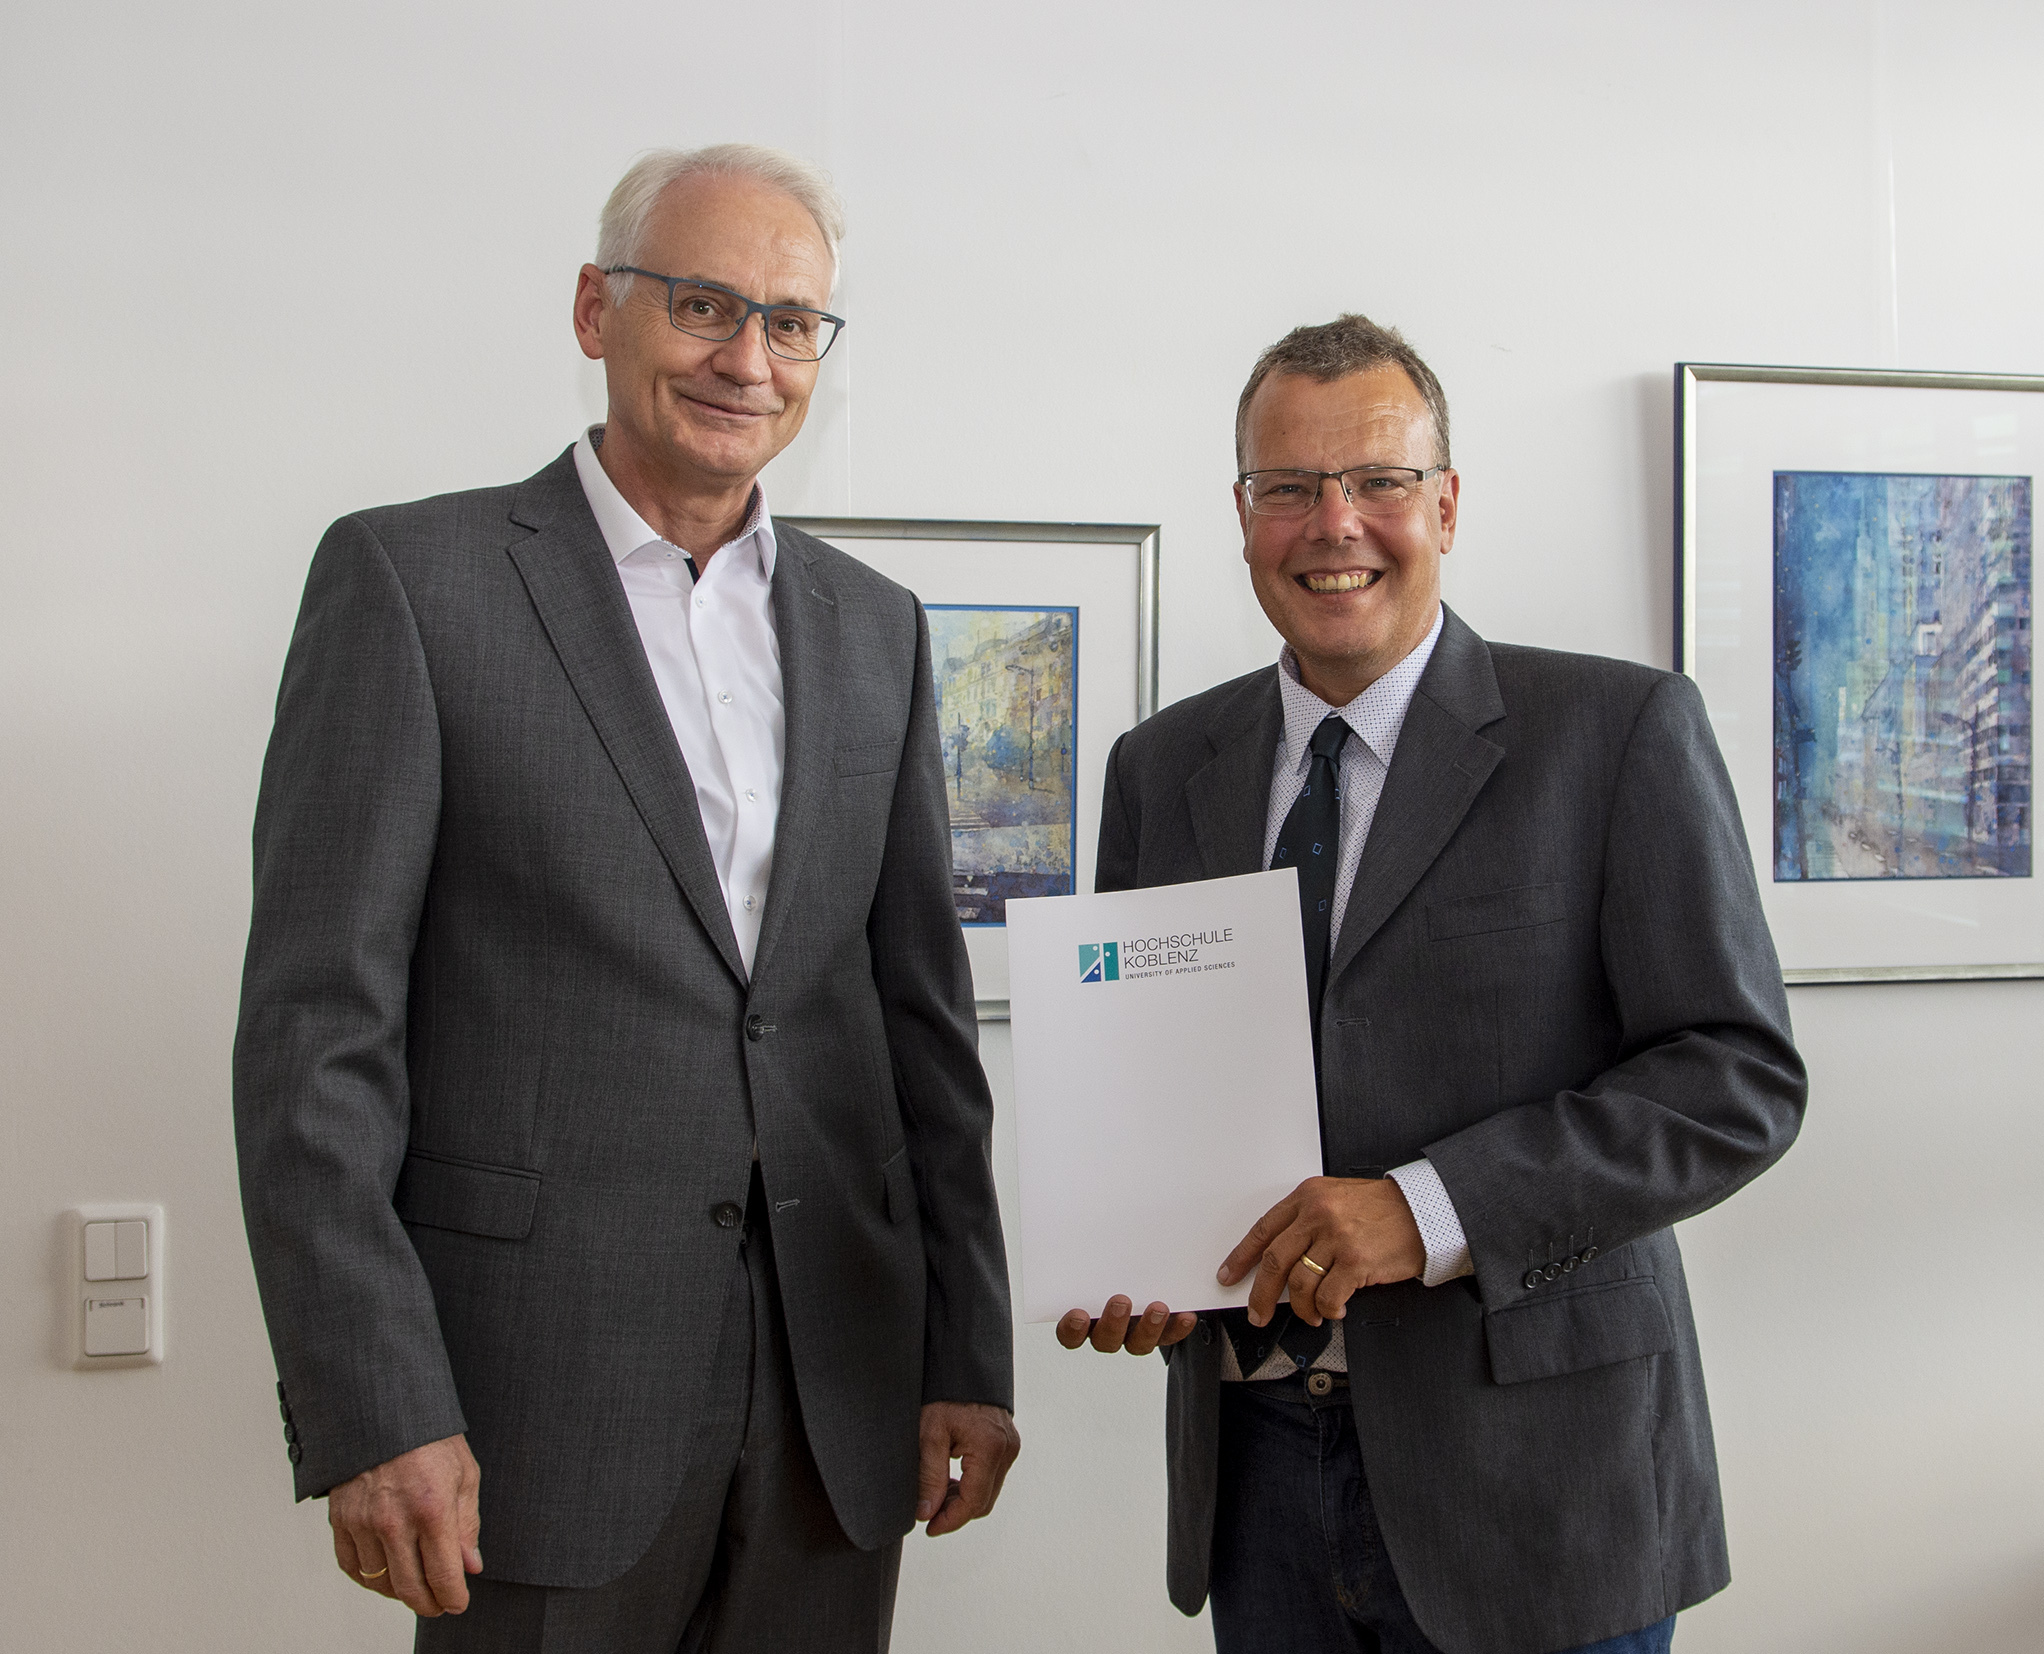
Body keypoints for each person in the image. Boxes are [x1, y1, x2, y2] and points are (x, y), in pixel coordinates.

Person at [233, 144, 1017, 1653]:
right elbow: (314, 1044)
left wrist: (965, 1352)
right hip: (529, 1406)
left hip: (837, 1400)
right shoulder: (412, 583)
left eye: (792, 322)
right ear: (598, 310)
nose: (748, 359)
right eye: (702, 304)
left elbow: (921, 1033)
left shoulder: (875, 628)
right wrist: (373, 1403)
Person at [1058, 315, 1805, 1654]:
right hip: (1257, 1485)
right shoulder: (1158, 769)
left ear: (1446, 505)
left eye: (1378, 481)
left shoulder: (1618, 732)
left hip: (1543, 1485)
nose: (1333, 523)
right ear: (1243, 515)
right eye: (1288, 486)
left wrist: (1426, 1209)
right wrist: (1136, 1258)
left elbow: (1736, 1078)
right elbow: (1148, 1090)